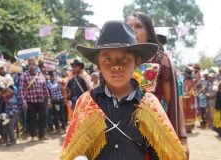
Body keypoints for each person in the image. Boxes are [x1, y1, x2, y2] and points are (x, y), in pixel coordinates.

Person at [60, 20, 186, 160]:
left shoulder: (149, 103)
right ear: (98, 65)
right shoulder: (87, 102)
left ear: (136, 62)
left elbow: (165, 153)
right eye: (107, 59)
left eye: (125, 58)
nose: (116, 66)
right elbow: (72, 152)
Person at [126, 11, 188, 155]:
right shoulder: (120, 57)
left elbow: (172, 101)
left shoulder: (160, 58)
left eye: (138, 26)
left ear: (149, 32)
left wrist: (182, 137)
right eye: (129, 26)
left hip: (155, 127)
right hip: (124, 126)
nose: (133, 30)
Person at [19, 59, 50, 141]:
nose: (32, 66)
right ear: (28, 66)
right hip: (30, 102)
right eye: (30, 64)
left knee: (43, 117)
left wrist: (48, 100)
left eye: (34, 64)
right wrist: (24, 102)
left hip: (41, 100)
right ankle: (34, 135)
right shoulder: (24, 76)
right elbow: (21, 90)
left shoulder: (41, 75)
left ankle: (42, 135)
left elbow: (45, 89)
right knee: (32, 118)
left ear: (36, 66)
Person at [182, 68, 197, 133]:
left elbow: (194, 92)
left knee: (189, 113)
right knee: (186, 113)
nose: (184, 74)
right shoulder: (185, 81)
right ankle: (186, 128)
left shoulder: (192, 82)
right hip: (186, 100)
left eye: (185, 73)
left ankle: (188, 128)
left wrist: (186, 94)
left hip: (190, 101)